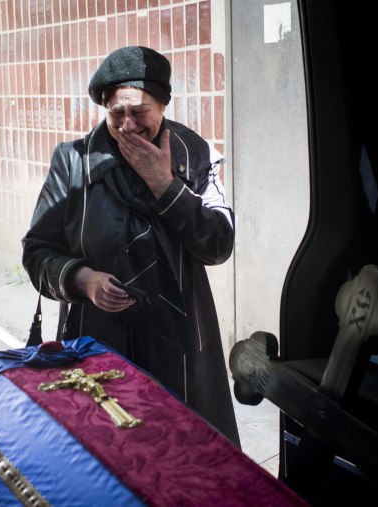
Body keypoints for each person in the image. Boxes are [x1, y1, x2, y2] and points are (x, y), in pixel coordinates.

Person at [22, 46, 241, 447]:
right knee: (109, 456)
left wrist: (164, 184)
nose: (127, 125)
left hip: (179, 344)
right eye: (116, 113)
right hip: (96, 339)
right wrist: (82, 280)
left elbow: (218, 244)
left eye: (139, 111)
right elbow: (36, 251)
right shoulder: (73, 162)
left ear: (163, 104)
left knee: (183, 458)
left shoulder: (193, 155)